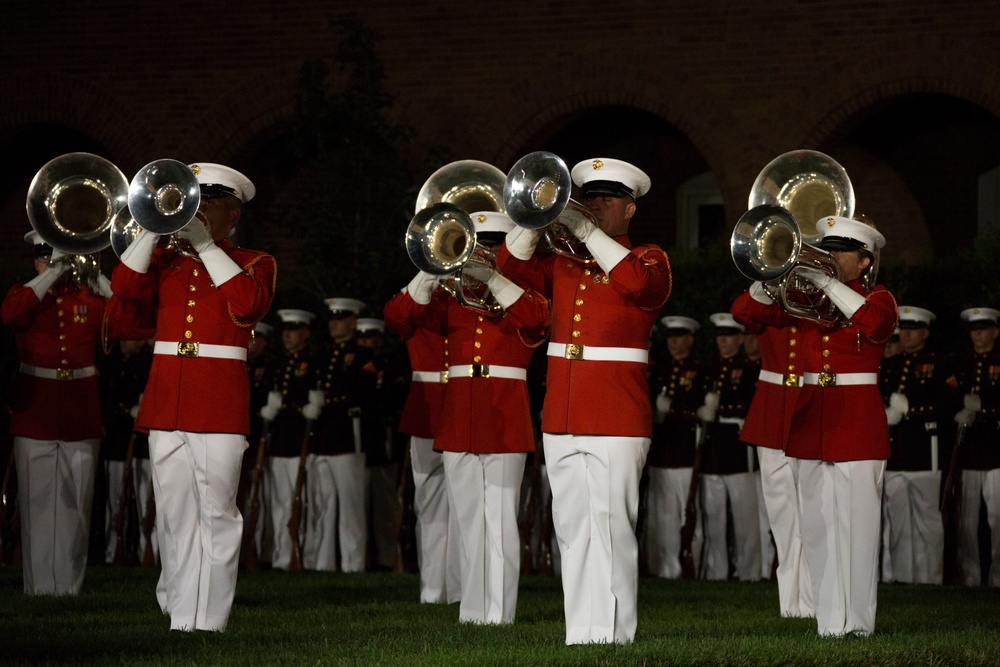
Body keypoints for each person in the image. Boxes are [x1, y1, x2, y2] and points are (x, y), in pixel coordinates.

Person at [497, 157, 671, 644]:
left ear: (630, 209)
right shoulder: (564, 261)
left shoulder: (649, 258)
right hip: (563, 411)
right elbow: (509, 268)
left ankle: (616, 634)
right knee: (572, 528)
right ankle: (584, 634)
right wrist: (534, 222)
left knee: (612, 527)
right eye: (588, 198)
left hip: (616, 415)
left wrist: (585, 230)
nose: (594, 205)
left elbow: (639, 285)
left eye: (607, 199)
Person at [107, 163, 275, 631]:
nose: (194, 211)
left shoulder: (254, 262)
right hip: (167, 399)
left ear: (232, 212)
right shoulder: (166, 261)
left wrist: (205, 246)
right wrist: (150, 227)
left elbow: (247, 305)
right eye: (189, 201)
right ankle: (182, 616)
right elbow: (123, 291)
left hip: (218, 403)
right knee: (175, 515)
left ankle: (209, 620)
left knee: (217, 513)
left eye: (206, 203)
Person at [400, 209, 550, 624]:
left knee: (499, 519)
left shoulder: (524, 288)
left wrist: (495, 279)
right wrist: (430, 271)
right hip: (459, 410)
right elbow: (400, 316)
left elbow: (538, 322)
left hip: (503, 406)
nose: (479, 254)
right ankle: (472, 612)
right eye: (474, 246)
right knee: (467, 519)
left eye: (488, 246)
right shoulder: (452, 294)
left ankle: (499, 614)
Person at [753, 215, 896, 636]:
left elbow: (875, 324)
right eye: (826, 249)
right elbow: (747, 314)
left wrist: (831, 284)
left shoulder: (879, 297)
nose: (829, 257)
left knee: (858, 529)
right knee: (817, 529)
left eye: (839, 251)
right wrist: (768, 275)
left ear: (865, 261)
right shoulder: (809, 299)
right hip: (811, 417)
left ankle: (859, 624)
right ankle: (830, 624)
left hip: (856, 420)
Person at [2, 230, 111, 595]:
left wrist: (96, 275)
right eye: (44, 257)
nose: (51, 263)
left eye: (57, 257)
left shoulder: (89, 298)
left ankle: (69, 588)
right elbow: (9, 313)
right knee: (35, 507)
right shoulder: (26, 295)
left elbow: (129, 319)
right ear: (35, 259)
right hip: (37, 411)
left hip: (81, 410)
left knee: (76, 506)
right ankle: (38, 589)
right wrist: (50, 273)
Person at [732, 289, 813, 616]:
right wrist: (767, 278)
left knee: (811, 513)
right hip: (772, 411)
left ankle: (812, 598)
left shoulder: (822, 299)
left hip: (809, 406)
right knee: (782, 515)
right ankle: (791, 604)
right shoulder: (771, 301)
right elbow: (742, 311)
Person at [384, 287, 461, 602]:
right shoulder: (417, 300)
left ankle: (459, 590)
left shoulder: (468, 297)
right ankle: (432, 589)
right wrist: (426, 274)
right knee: (429, 506)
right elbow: (395, 314)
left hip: (461, 406)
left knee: (463, 507)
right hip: (427, 410)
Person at [879, 305, 954, 585]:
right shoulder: (890, 366)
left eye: (913, 330)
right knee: (898, 523)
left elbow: (948, 406)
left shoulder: (939, 364)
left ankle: (931, 579)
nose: (907, 336)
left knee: (927, 521)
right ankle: (902, 578)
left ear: (925, 332)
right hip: (896, 454)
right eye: (904, 330)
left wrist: (913, 410)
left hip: (924, 453)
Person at [302, 297, 375, 573]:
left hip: (346, 435)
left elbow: (364, 394)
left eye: (340, 319)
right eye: (332, 319)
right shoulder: (321, 355)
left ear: (353, 321)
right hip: (323, 437)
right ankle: (323, 563)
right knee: (324, 503)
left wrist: (328, 402)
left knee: (350, 506)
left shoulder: (363, 355)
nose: (335, 324)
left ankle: (353, 565)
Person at [695, 313, 761, 581]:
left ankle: (749, 572)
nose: (723, 341)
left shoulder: (750, 369)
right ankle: (716, 572)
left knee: (746, 518)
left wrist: (721, 408)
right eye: (720, 336)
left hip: (737, 450)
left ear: (740, 338)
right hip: (712, 452)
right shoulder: (707, 369)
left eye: (730, 335)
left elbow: (752, 404)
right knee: (714, 518)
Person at [645, 315, 703, 579]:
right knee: (660, 516)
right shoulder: (659, 370)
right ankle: (663, 568)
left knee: (687, 513)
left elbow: (700, 410)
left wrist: (676, 410)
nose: (674, 342)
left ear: (690, 339)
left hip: (684, 453)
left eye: (679, 337)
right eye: (670, 337)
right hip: (660, 452)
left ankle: (690, 567)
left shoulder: (699, 370)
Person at [261, 309, 316, 571]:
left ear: (305, 332)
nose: (287, 335)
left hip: (298, 442)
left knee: (298, 501)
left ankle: (301, 554)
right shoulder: (277, 363)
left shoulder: (311, 362)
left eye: (293, 330)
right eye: (285, 330)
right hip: (279, 442)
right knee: (279, 503)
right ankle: (282, 556)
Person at [951, 307, 1000, 587]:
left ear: (995, 331)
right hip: (968, 452)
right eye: (973, 329)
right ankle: (969, 577)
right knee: (965, 524)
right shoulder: (962, 364)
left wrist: (986, 411)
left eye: (983, 328)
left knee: (998, 520)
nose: (977, 334)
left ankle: (997, 578)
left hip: (995, 452)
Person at [98, 338, 153, 565]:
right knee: (116, 503)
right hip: (118, 443)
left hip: (143, 446)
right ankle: (114, 552)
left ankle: (147, 552)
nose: (124, 342)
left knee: (146, 504)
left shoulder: (147, 362)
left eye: (131, 336)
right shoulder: (113, 362)